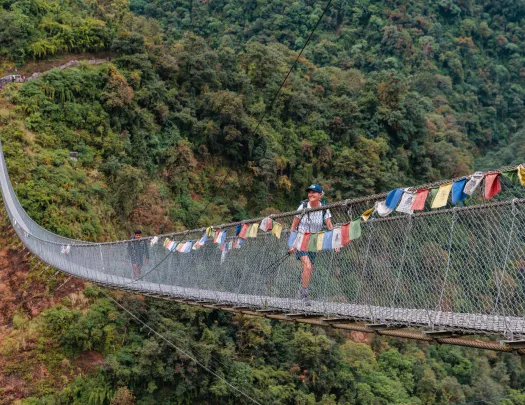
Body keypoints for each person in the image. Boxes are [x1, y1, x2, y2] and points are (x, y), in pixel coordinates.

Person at [289, 184, 335, 305]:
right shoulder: (303, 206)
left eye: (314, 192)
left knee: (310, 269)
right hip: (301, 240)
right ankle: (304, 294)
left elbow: (330, 226)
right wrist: (292, 244)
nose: (311, 194)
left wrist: (336, 243)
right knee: (308, 266)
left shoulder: (324, 209)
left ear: (320, 195)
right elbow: (294, 225)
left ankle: (301, 290)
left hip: (314, 242)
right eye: (309, 192)